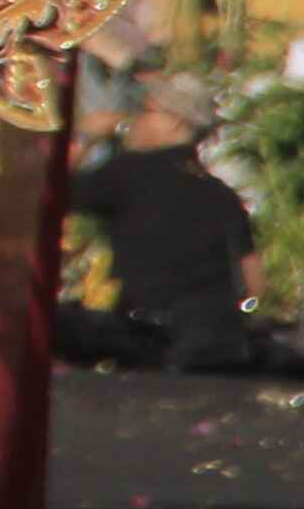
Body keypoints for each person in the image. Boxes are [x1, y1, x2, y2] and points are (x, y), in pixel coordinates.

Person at [56, 79, 291, 374]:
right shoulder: (221, 194)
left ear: (176, 124)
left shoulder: (129, 173)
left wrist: (86, 135)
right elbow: (254, 281)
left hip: (150, 340)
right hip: (218, 343)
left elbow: (52, 193)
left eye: (145, 110)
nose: (133, 120)